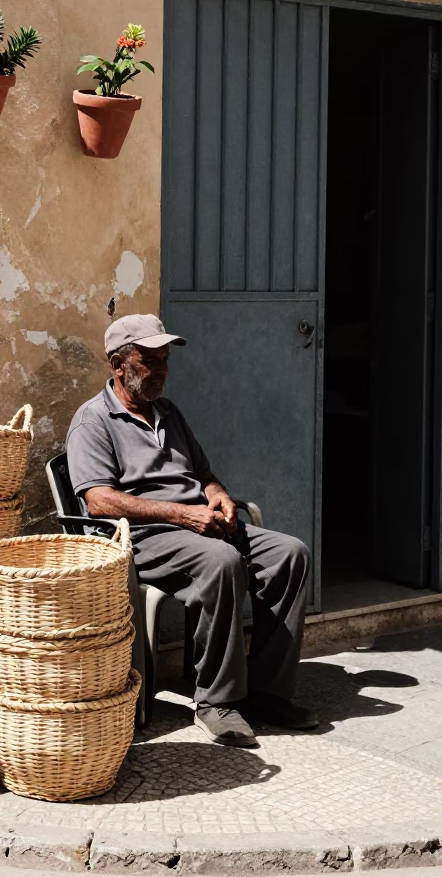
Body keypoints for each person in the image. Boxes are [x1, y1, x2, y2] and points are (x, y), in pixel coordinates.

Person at [66, 313, 317, 746]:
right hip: (144, 535)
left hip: (199, 524)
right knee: (221, 562)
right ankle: (216, 702)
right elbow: (97, 500)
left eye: (165, 360)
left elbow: (203, 472)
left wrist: (217, 493)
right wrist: (181, 515)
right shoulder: (93, 421)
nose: (162, 371)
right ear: (118, 365)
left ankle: (266, 693)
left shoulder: (169, 413)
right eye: (150, 361)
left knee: (289, 553)